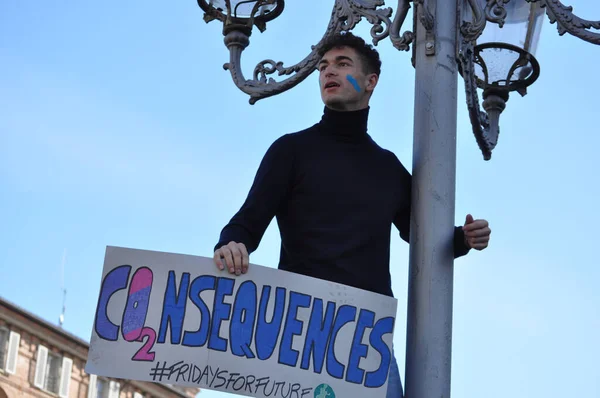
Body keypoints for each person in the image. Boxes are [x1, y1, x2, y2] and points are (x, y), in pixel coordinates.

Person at [212, 32, 491, 398]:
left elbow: (420, 234)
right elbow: (247, 221)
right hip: (300, 331)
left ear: (370, 81)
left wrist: (464, 239)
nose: (329, 72)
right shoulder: (291, 151)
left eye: (343, 65)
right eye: (324, 66)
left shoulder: (388, 169)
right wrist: (230, 244)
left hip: (366, 337)